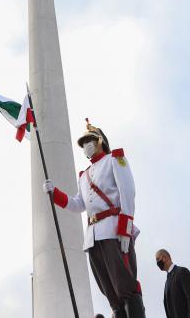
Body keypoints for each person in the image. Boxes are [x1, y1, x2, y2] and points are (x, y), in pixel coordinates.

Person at [44, 119, 145, 318]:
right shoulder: (84, 176)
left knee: (125, 285)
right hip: (93, 236)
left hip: (114, 229)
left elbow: (128, 192)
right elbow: (78, 204)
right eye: (83, 144)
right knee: (108, 290)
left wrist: (125, 229)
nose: (85, 146)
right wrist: (54, 193)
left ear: (100, 141)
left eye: (89, 141)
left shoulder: (114, 159)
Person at [155, 249, 190, 318]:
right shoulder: (166, 284)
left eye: (158, 259)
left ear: (164, 258)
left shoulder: (181, 272)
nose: (157, 263)